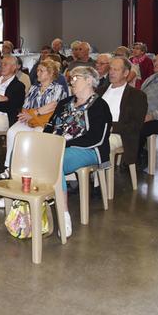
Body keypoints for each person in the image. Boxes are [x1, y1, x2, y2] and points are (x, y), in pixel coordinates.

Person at [43, 66, 112, 237]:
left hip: (87, 149)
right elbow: (50, 126)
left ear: (89, 80)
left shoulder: (100, 106)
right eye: (70, 78)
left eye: (75, 78)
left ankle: (63, 214)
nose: (71, 81)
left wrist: (62, 144)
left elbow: (97, 138)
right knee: (29, 156)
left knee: (53, 162)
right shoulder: (64, 103)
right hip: (58, 146)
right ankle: (28, 203)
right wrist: (45, 142)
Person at [0, 59, 66, 183]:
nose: (37, 73)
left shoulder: (58, 88)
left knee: (36, 135)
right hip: (30, 120)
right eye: (37, 70)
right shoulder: (34, 88)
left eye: (41, 71)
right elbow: (25, 106)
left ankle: (30, 170)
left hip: (46, 123)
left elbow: (52, 107)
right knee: (12, 132)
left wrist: (34, 113)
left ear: (50, 73)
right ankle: (10, 166)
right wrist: (31, 114)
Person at [98, 57, 147, 170]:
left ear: (126, 73)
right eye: (110, 69)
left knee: (100, 143)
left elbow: (135, 125)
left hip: (120, 134)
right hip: (97, 130)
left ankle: (100, 181)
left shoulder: (137, 95)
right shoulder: (99, 91)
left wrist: (110, 127)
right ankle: (74, 179)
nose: (111, 72)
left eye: (116, 69)